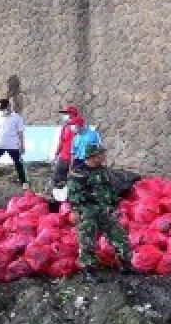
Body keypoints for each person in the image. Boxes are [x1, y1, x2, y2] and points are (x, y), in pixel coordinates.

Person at [67, 143, 132, 282]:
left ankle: (126, 265)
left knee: (119, 236)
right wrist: (76, 211)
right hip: (87, 212)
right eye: (101, 154)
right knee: (87, 241)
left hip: (105, 210)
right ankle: (88, 271)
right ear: (93, 156)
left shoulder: (103, 170)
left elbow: (109, 188)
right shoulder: (79, 173)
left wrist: (114, 204)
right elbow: (73, 195)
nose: (104, 156)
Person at [52, 105, 82, 190]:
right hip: (63, 157)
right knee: (57, 179)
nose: (64, 115)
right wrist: (56, 154)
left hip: (75, 159)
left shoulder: (78, 125)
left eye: (66, 113)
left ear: (72, 114)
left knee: (74, 181)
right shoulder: (65, 127)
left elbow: (78, 125)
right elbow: (61, 142)